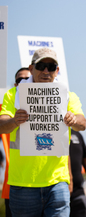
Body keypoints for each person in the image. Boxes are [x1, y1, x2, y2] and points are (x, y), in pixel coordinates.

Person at [0, 47, 86, 216]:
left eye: (51, 67)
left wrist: (74, 120)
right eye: (41, 66)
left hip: (57, 182)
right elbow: (2, 125)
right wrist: (14, 120)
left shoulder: (67, 96)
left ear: (57, 71)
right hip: (22, 182)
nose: (46, 71)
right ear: (31, 69)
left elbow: (82, 123)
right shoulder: (13, 95)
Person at [1, 67, 31, 217]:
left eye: (28, 79)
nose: (24, 83)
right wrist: (14, 120)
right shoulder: (5, 110)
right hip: (13, 185)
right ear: (15, 85)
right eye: (20, 80)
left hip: (42, 186)